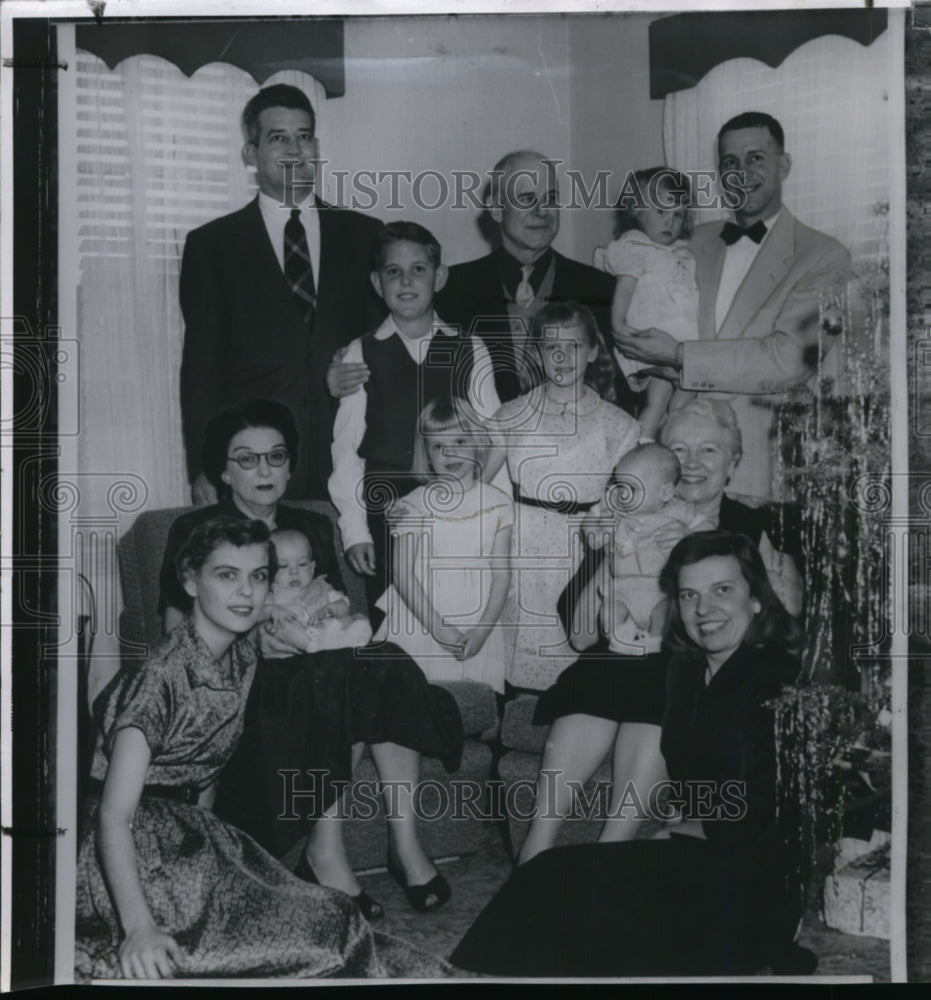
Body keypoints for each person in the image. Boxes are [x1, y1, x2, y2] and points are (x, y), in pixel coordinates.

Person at [76, 517, 449, 980]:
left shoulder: (240, 652)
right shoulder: (159, 680)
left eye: (257, 576)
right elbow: (113, 816)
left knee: (331, 921)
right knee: (304, 943)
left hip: (201, 835)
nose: (247, 592)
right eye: (226, 575)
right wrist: (138, 928)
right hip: (141, 846)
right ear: (190, 580)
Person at [451, 530, 812, 978]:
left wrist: (683, 826)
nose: (704, 609)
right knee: (553, 878)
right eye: (688, 595)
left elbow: (767, 809)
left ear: (757, 599)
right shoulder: (686, 670)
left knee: (571, 892)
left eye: (723, 591)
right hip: (698, 858)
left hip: (749, 881)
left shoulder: (776, 678)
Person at [159, 399, 462, 918]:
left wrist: (335, 631)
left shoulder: (313, 524)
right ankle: (325, 854)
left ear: (291, 464)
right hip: (245, 681)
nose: (264, 470)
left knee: (380, 660)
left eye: (275, 457)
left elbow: (332, 608)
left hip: (318, 666)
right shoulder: (197, 530)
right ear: (224, 471)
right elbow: (173, 633)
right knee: (330, 673)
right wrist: (250, 642)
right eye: (247, 459)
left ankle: (404, 843)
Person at [526, 398, 802, 864]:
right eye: (680, 448)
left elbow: (786, 617)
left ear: (733, 463)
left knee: (667, 681)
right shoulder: (626, 516)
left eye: (709, 451)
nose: (692, 464)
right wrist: (613, 557)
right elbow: (579, 634)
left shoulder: (753, 525)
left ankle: (609, 856)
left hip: (696, 670)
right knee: (596, 675)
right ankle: (533, 852)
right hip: (622, 654)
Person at [614, 111, 852, 499]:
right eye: (729, 162)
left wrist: (678, 356)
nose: (741, 172)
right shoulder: (688, 240)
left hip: (759, 475)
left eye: (755, 158)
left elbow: (788, 359)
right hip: (673, 472)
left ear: (784, 165)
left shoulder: (825, 257)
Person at [179, 83, 384, 503]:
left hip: (352, 455)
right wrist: (203, 466)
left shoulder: (366, 236)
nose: (295, 149)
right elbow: (202, 370)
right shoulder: (212, 246)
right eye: (278, 138)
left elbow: (387, 344)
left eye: (304, 136)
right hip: (257, 465)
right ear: (250, 153)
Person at [326, 150, 637, 416]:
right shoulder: (448, 287)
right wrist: (345, 369)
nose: (543, 211)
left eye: (551, 199)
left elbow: (626, 392)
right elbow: (396, 355)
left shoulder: (601, 288)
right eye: (528, 199)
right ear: (496, 209)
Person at [328, 221, 500, 624]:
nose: (406, 281)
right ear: (377, 282)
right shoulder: (360, 351)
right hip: (388, 509)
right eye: (393, 271)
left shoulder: (469, 348)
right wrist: (355, 530)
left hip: (456, 507)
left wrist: (483, 513)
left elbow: (493, 440)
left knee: (454, 616)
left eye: (418, 269)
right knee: (395, 623)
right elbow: (347, 450)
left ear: (439, 277)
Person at [483, 300, 640, 693]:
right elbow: (477, 485)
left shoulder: (618, 424)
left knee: (570, 641)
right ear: (536, 353)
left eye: (572, 346)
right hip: (522, 541)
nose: (561, 356)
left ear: (591, 351)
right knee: (517, 642)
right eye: (550, 347)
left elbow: (629, 500)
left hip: (584, 544)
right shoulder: (511, 414)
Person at [373, 397, 513, 693]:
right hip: (422, 617)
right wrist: (436, 627)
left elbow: (502, 575)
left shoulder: (499, 503)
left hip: (476, 620)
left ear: (477, 442)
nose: (449, 452)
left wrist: (483, 630)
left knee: (472, 706)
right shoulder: (413, 505)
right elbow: (402, 574)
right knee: (415, 700)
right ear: (426, 454)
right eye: (437, 446)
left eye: (460, 440)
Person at [589, 443, 713, 652]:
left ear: (665, 493)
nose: (622, 494)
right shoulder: (612, 508)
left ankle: (655, 642)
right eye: (620, 486)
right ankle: (621, 637)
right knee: (609, 612)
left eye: (633, 488)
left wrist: (688, 535)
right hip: (621, 587)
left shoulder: (680, 511)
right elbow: (589, 520)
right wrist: (598, 533)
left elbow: (711, 531)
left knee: (664, 614)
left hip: (660, 589)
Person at [605, 167, 699, 439]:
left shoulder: (679, 253)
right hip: (647, 337)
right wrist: (619, 327)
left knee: (670, 399)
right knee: (671, 393)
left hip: (677, 341)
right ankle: (643, 453)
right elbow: (624, 290)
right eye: (661, 212)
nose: (670, 222)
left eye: (678, 215)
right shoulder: (636, 247)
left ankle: (664, 445)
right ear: (638, 210)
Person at [262, 528, 373, 652]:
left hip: (326, 631)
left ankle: (338, 642)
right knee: (281, 627)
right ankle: (314, 645)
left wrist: (332, 608)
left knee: (358, 618)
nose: (294, 571)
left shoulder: (322, 586)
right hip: (297, 639)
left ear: (312, 567)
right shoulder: (269, 594)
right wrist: (272, 610)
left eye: (302, 564)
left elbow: (345, 606)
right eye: (283, 566)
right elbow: (257, 614)